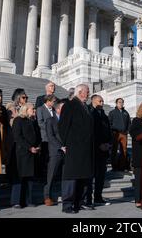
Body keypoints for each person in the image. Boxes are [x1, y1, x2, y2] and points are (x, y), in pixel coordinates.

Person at [58, 84, 94, 214]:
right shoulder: (70, 105)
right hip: (73, 146)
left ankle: (81, 202)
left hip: (85, 148)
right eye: (87, 91)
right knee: (71, 176)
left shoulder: (86, 107)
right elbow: (63, 126)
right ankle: (67, 204)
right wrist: (64, 144)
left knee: (83, 176)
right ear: (80, 92)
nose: (89, 94)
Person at [11, 103, 41, 208]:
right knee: (20, 178)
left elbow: (38, 136)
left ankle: (28, 200)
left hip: (33, 153)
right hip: (22, 153)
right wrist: (29, 147)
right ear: (26, 109)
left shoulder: (32, 121)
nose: (34, 111)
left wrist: (38, 146)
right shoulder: (18, 120)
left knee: (30, 178)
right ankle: (17, 201)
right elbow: (17, 137)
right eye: (32, 109)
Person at [86, 95, 112, 207]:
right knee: (91, 175)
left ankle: (98, 197)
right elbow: (90, 132)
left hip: (104, 150)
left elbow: (109, 131)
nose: (101, 103)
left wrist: (109, 144)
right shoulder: (89, 113)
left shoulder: (105, 116)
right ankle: (88, 199)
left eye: (102, 101)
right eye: (99, 101)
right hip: (94, 149)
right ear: (93, 101)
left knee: (101, 176)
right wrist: (99, 145)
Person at [44, 99, 66, 206]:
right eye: (63, 108)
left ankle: (66, 195)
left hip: (66, 151)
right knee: (51, 175)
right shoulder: (50, 120)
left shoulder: (66, 120)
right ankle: (47, 196)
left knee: (65, 175)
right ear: (57, 109)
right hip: (55, 151)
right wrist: (61, 147)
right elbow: (50, 136)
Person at [37, 95, 57, 181]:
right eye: (53, 101)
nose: (54, 103)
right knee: (44, 156)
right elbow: (40, 122)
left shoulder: (53, 109)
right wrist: (50, 128)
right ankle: (42, 176)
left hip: (53, 137)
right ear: (48, 101)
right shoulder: (40, 109)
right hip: (45, 136)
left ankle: (51, 176)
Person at [108, 98, 131, 171]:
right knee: (114, 150)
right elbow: (109, 123)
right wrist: (113, 130)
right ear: (116, 103)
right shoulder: (112, 112)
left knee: (123, 151)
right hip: (115, 134)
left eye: (122, 102)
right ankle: (114, 166)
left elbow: (129, 123)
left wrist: (127, 131)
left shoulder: (126, 113)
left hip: (124, 134)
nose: (121, 104)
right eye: (119, 102)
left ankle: (122, 167)